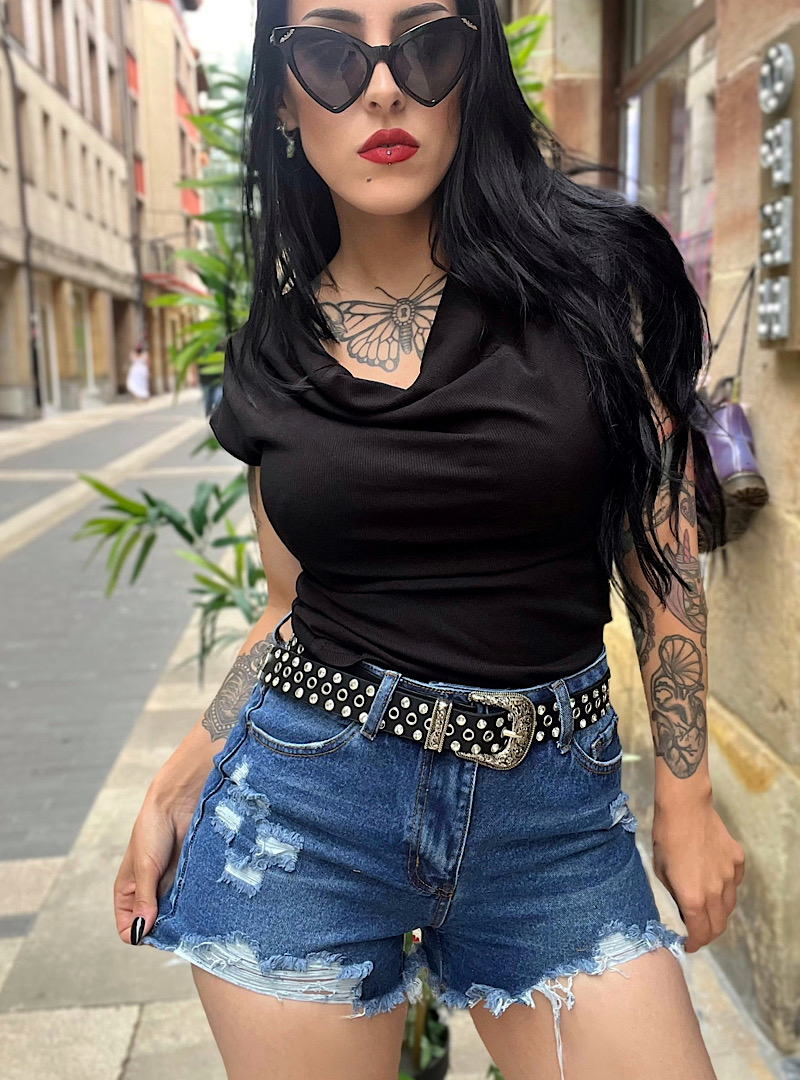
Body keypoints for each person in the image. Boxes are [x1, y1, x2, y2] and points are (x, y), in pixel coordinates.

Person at [114, 2, 746, 1078]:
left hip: (552, 823)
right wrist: (178, 781)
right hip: (304, 813)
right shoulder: (269, 356)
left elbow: (662, 543)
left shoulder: (595, 279)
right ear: (283, 100)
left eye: (425, 43)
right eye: (330, 51)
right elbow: (288, 608)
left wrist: (685, 801)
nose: (381, 87)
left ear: (472, 71)